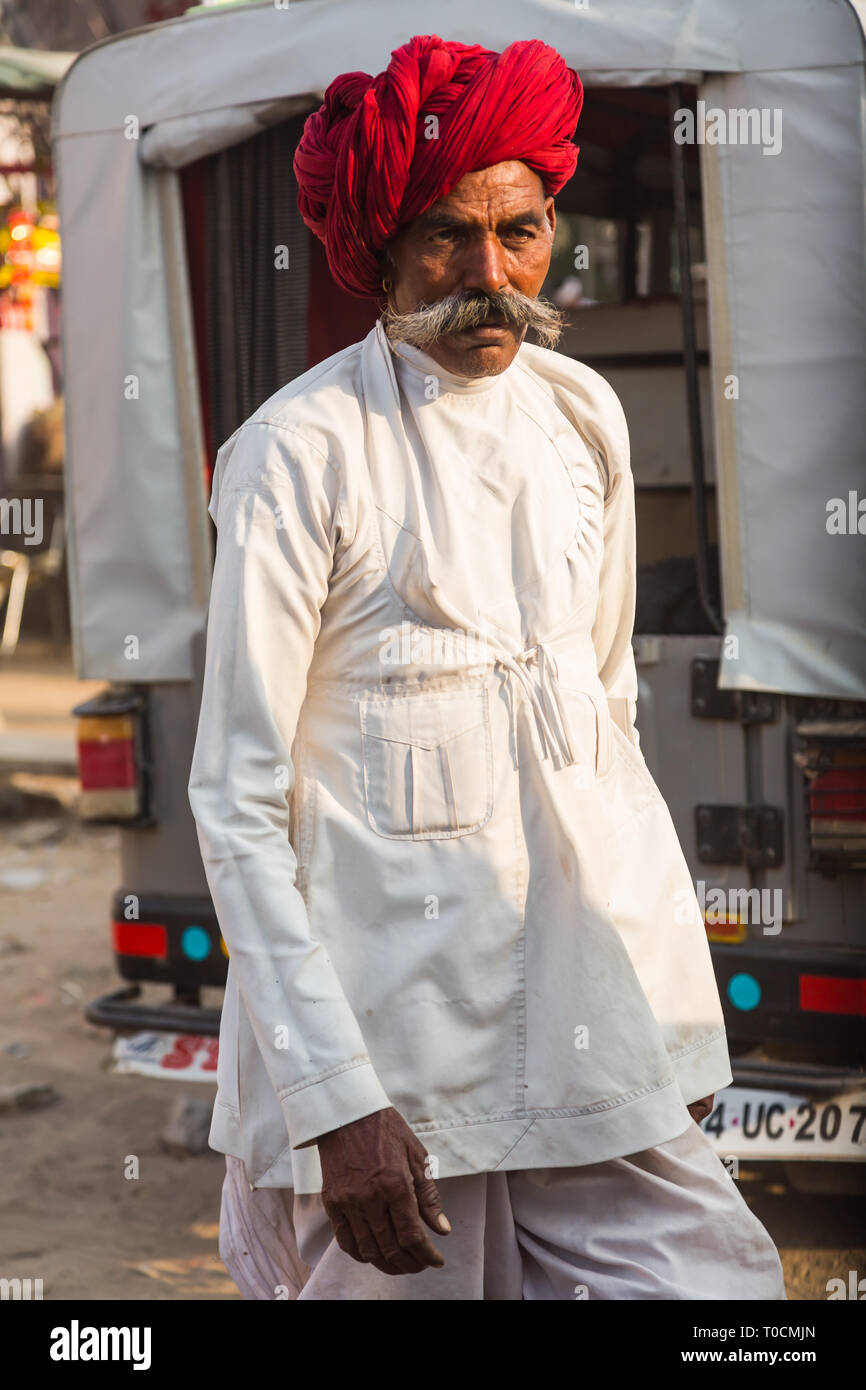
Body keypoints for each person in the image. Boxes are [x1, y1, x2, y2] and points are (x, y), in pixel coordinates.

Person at [188, 33, 785, 1301]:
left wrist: (661, 1015)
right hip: (388, 1068)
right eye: (444, 236)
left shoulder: (583, 416)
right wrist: (333, 1101)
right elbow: (235, 801)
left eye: (516, 232)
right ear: (379, 253)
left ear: (552, 230)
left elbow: (600, 711)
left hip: (590, 1043)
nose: (487, 275)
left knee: (718, 1295)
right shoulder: (294, 455)